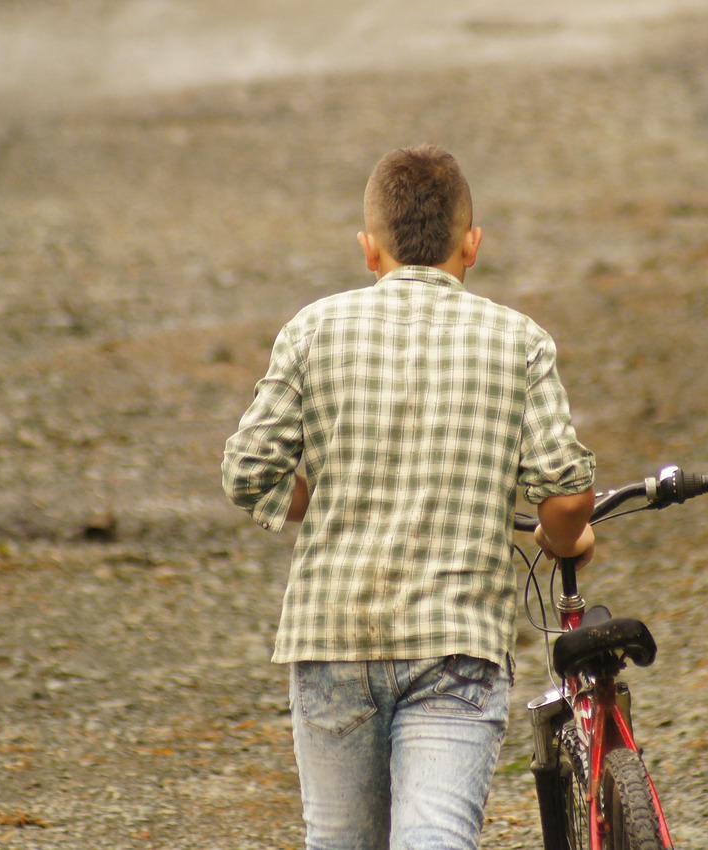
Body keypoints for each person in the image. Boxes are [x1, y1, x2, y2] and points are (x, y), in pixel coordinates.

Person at [221, 144, 596, 850]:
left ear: (369, 250)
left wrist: (316, 496)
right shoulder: (518, 341)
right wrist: (564, 537)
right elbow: (568, 494)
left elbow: (248, 471)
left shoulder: (311, 330)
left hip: (331, 635)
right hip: (456, 645)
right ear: (472, 245)